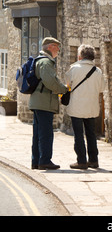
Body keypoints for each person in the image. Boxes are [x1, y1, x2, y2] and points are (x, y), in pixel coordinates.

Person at [29, 37, 68, 170]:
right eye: (57, 47)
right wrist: (64, 89)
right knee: (45, 133)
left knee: (38, 133)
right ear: (51, 47)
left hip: (39, 102)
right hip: (44, 102)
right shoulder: (46, 62)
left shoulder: (41, 61)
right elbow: (51, 82)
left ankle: (36, 161)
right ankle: (45, 160)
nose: (58, 50)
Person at [65, 44, 105, 169]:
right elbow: (102, 88)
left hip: (76, 106)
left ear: (80, 56)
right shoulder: (97, 71)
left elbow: (67, 85)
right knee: (91, 134)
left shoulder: (73, 69)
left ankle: (81, 161)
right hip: (91, 107)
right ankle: (93, 160)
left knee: (78, 134)